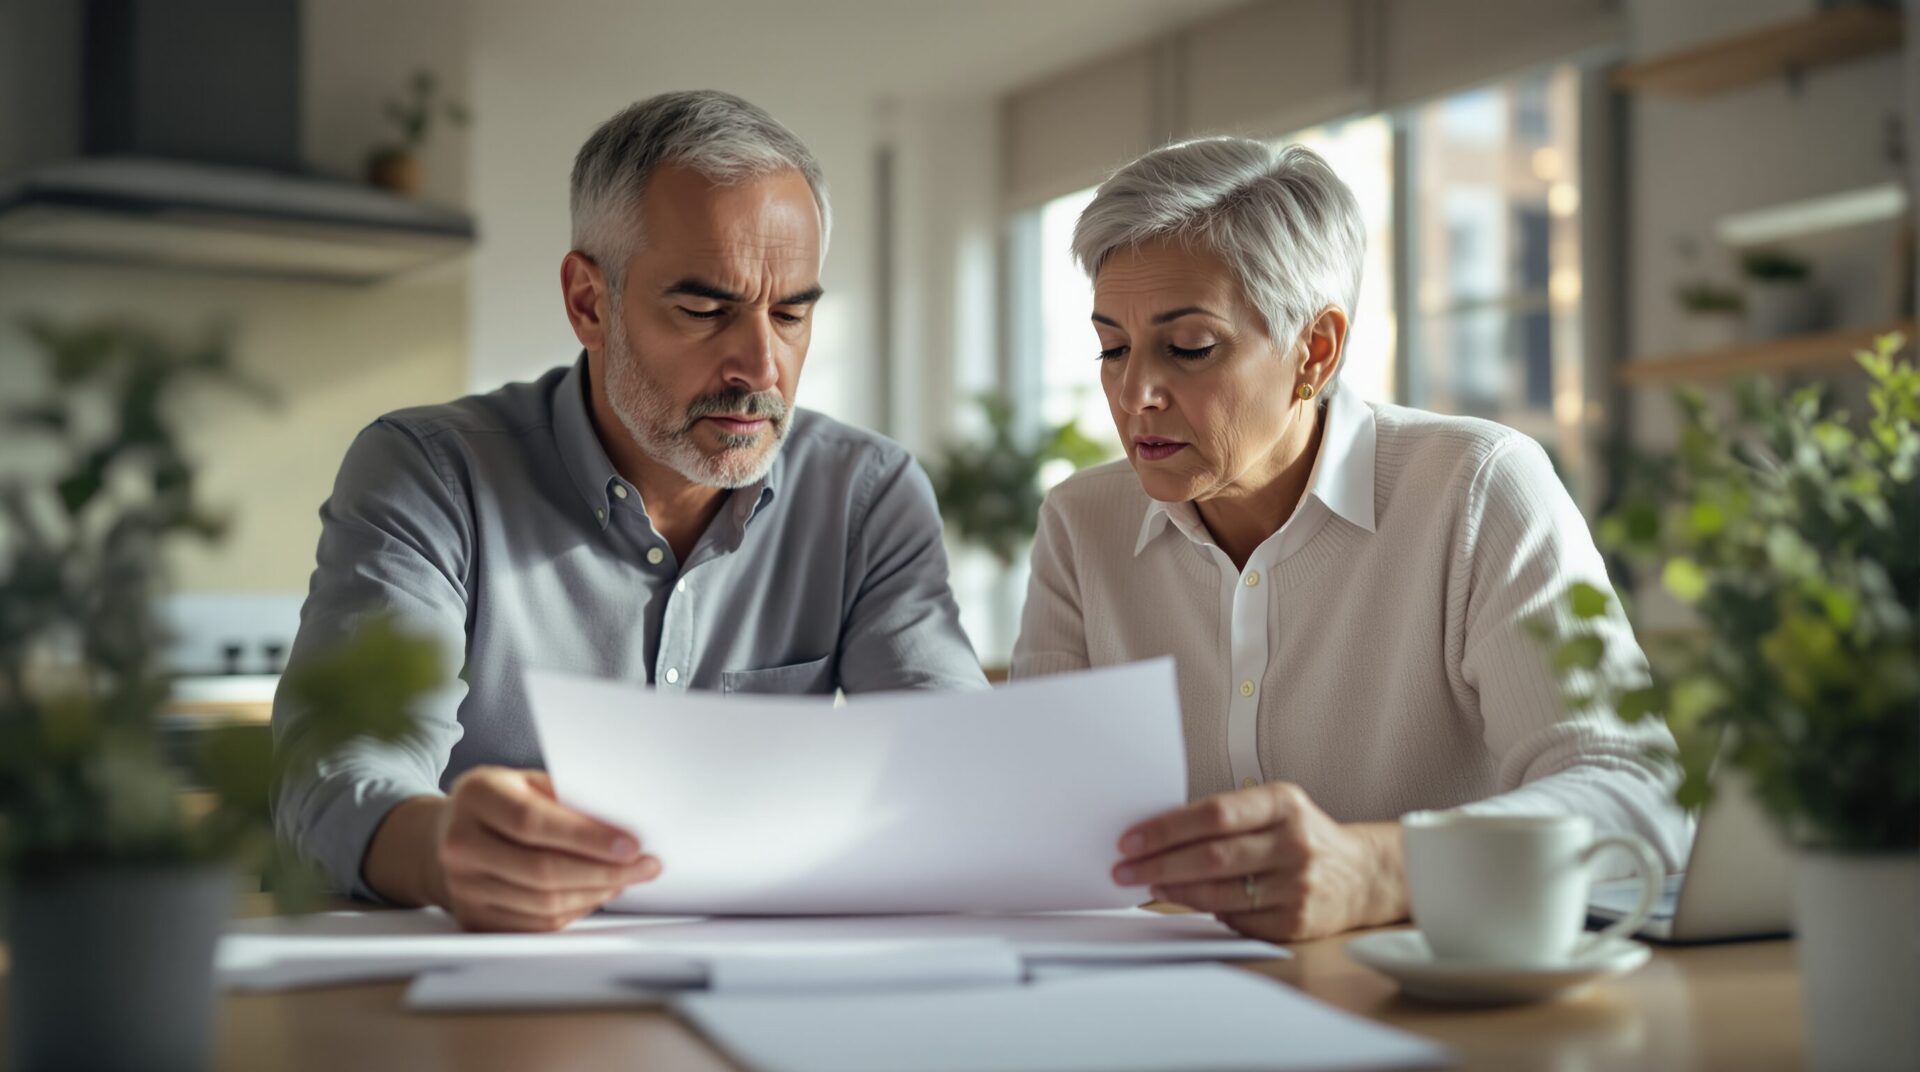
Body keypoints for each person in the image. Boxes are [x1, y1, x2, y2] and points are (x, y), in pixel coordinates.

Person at [272, 90, 986, 932]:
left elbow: (959, 770)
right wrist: (440, 847)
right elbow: (332, 772)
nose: (761, 363)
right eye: (705, 309)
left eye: (791, 312)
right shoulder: (429, 475)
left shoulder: (867, 495)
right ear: (589, 302)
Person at [1013, 137, 1690, 943]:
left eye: (1188, 348)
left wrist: (1381, 869)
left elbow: (1637, 796)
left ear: (1315, 349)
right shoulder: (1079, 524)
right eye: (1113, 348)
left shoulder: (1477, 486)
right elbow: (1037, 820)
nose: (1135, 395)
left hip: (1440, 1005)